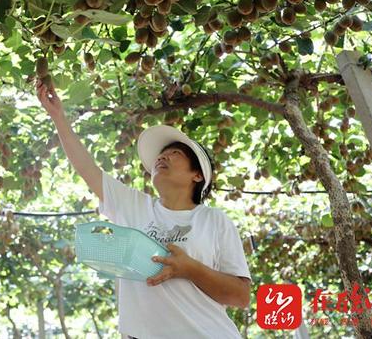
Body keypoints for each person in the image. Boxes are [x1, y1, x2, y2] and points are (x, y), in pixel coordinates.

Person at [36, 80, 251, 339]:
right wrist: (57, 116)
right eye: (161, 155)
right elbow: (86, 168)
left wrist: (190, 268)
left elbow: (240, 296)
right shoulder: (134, 207)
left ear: (197, 175)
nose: (162, 157)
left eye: (174, 153)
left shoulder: (214, 220)